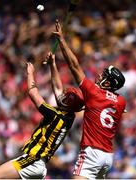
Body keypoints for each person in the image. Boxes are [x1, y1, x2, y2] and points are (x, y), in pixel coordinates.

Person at [0, 52, 84, 179]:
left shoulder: (54, 115)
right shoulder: (69, 117)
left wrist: (30, 73)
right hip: (39, 164)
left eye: (66, 97)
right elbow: (57, 87)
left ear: (68, 104)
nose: (62, 95)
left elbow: (33, 93)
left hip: (32, 160)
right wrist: (53, 65)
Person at [53, 20, 126, 179]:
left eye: (104, 75)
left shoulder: (94, 92)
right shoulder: (121, 101)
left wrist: (62, 40)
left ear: (107, 83)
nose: (100, 75)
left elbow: (74, 65)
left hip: (92, 151)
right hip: (108, 157)